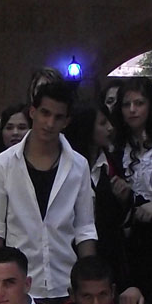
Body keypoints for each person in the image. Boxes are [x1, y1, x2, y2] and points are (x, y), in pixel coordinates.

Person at [0, 81, 98, 301]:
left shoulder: (79, 165)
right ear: (32, 112)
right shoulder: (2, 164)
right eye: (45, 113)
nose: (50, 123)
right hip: (18, 286)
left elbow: (85, 229)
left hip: (66, 283)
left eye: (58, 117)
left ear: (67, 121)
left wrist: (88, 284)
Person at [110, 76, 152, 299]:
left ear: (150, 105)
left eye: (139, 103)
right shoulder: (115, 147)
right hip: (131, 242)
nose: (132, 110)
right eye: (126, 104)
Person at [63, 99, 125, 281]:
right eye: (102, 123)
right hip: (70, 255)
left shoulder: (111, 163)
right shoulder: (67, 166)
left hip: (108, 257)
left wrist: (124, 198)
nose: (110, 128)